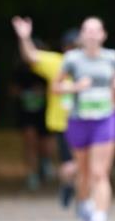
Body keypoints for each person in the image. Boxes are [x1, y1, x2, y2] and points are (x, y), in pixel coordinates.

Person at [55, 17, 115, 221]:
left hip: (105, 119)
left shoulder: (112, 57)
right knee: (84, 173)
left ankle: (99, 220)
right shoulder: (72, 59)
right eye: (87, 30)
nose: (92, 34)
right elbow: (56, 87)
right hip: (79, 120)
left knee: (99, 172)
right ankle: (85, 205)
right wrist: (76, 87)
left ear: (103, 35)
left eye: (96, 30)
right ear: (82, 35)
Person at [11, 17, 77, 207]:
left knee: (83, 163)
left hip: (90, 121)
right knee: (68, 163)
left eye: (77, 46)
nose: (74, 50)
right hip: (62, 121)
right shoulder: (58, 63)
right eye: (70, 46)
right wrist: (24, 37)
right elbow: (31, 56)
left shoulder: (95, 63)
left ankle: (80, 192)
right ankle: (68, 185)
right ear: (64, 48)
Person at [10, 47, 53, 192]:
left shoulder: (46, 71)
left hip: (45, 114)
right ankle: (32, 174)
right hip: (26, 115)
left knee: (45, 146)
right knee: (30, 144)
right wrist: (25, 93)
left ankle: (45, 166)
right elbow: (12, 91)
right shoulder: (20, 71)